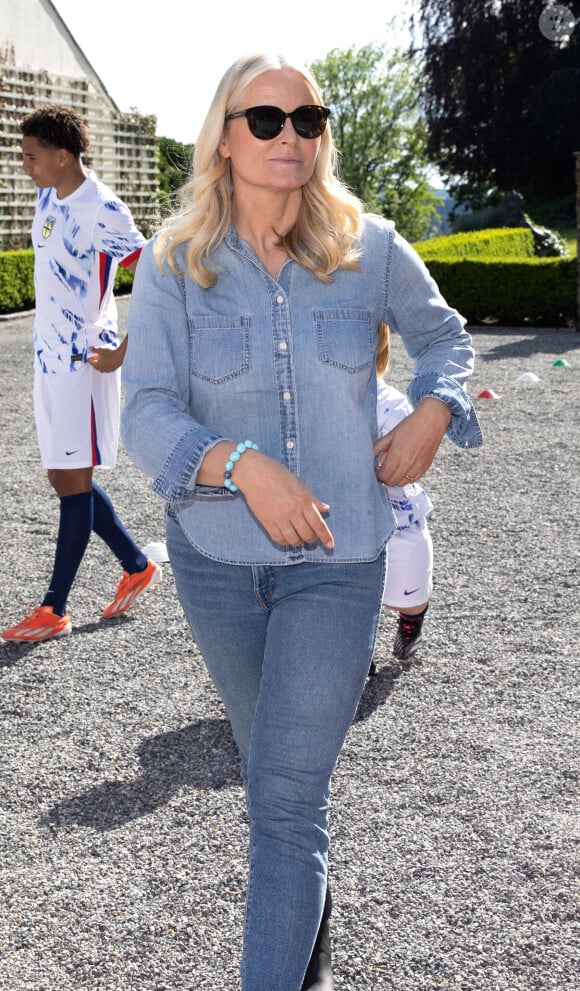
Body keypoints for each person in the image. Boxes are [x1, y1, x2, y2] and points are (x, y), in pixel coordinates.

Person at [120, 53, 483, 991]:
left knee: (285, 799)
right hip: (213, 559)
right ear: (225, 135)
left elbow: (446, 335)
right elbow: (146, 409)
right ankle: (308, 948)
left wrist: (437, 411)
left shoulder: (371, 246)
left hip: (341, 558)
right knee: (274, 786)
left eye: (308, 119)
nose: (291, 137)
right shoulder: (172, 262)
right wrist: (242, 466)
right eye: (266, 119)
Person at [2, 105, 161, 644]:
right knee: (62, 479)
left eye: (31, 156)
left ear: (63, 155)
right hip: (46, 361)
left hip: (83, 364)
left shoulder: (105, 210)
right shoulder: (48, 196)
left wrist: (125, 350)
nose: (25, 165)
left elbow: (161, 282)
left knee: (74, 482)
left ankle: (54, 607)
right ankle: (137, 564)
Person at [369, 324, 434, 676]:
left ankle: (412, 622)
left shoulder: (390, 403)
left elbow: (407, 459)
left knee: (411, 589)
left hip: (395, 514)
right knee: (344, 593)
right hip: (344, 513)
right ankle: (355, 651)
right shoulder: (315, 399)